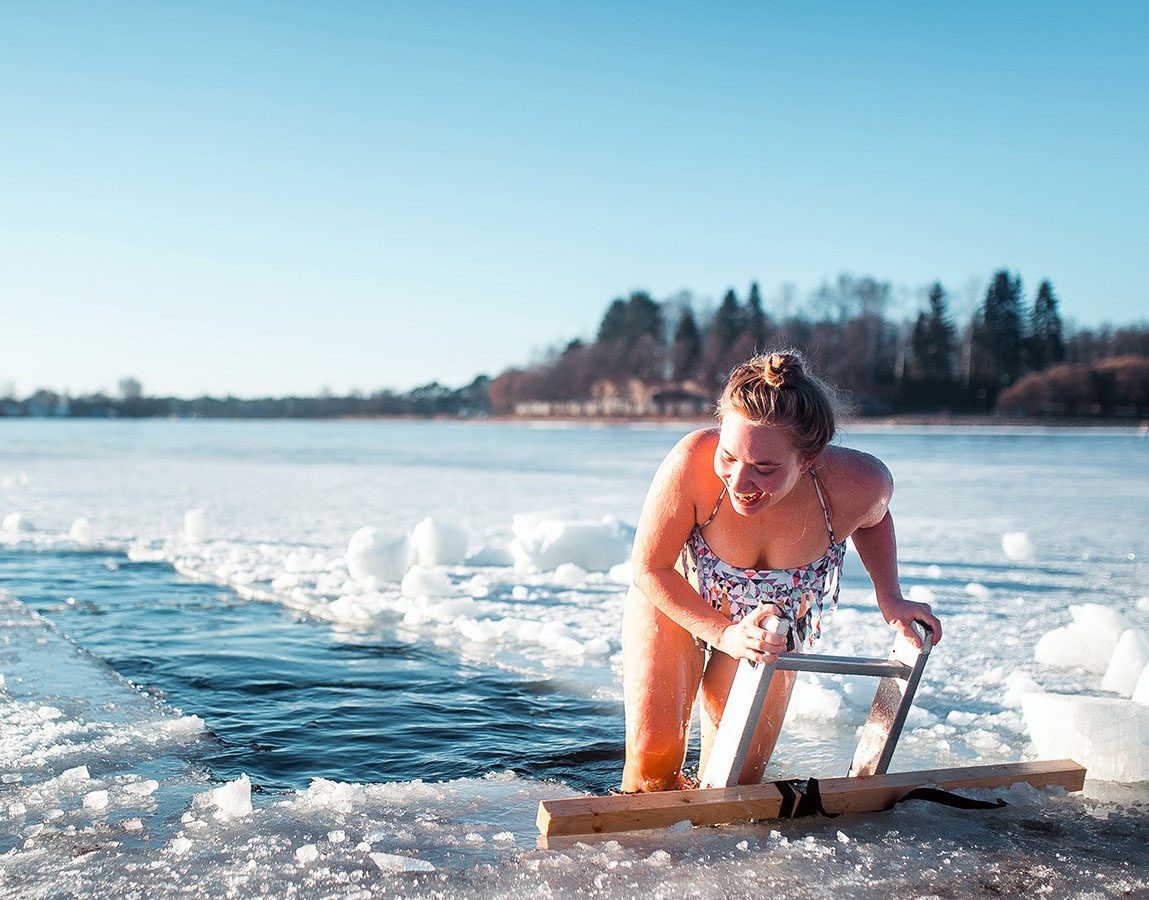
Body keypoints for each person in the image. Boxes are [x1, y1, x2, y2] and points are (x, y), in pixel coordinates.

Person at [621, 350, 942, 792]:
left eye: (765, 468)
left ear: (809, 459)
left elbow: (874, 519)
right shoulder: (692, 462)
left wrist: (891, 597)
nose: (738, 482)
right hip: (678, 601)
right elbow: (650, 568)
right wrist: (723, 633)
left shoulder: (859, 483)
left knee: (735, 783)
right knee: (652, 767)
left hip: (769, 628)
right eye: (729, 457)